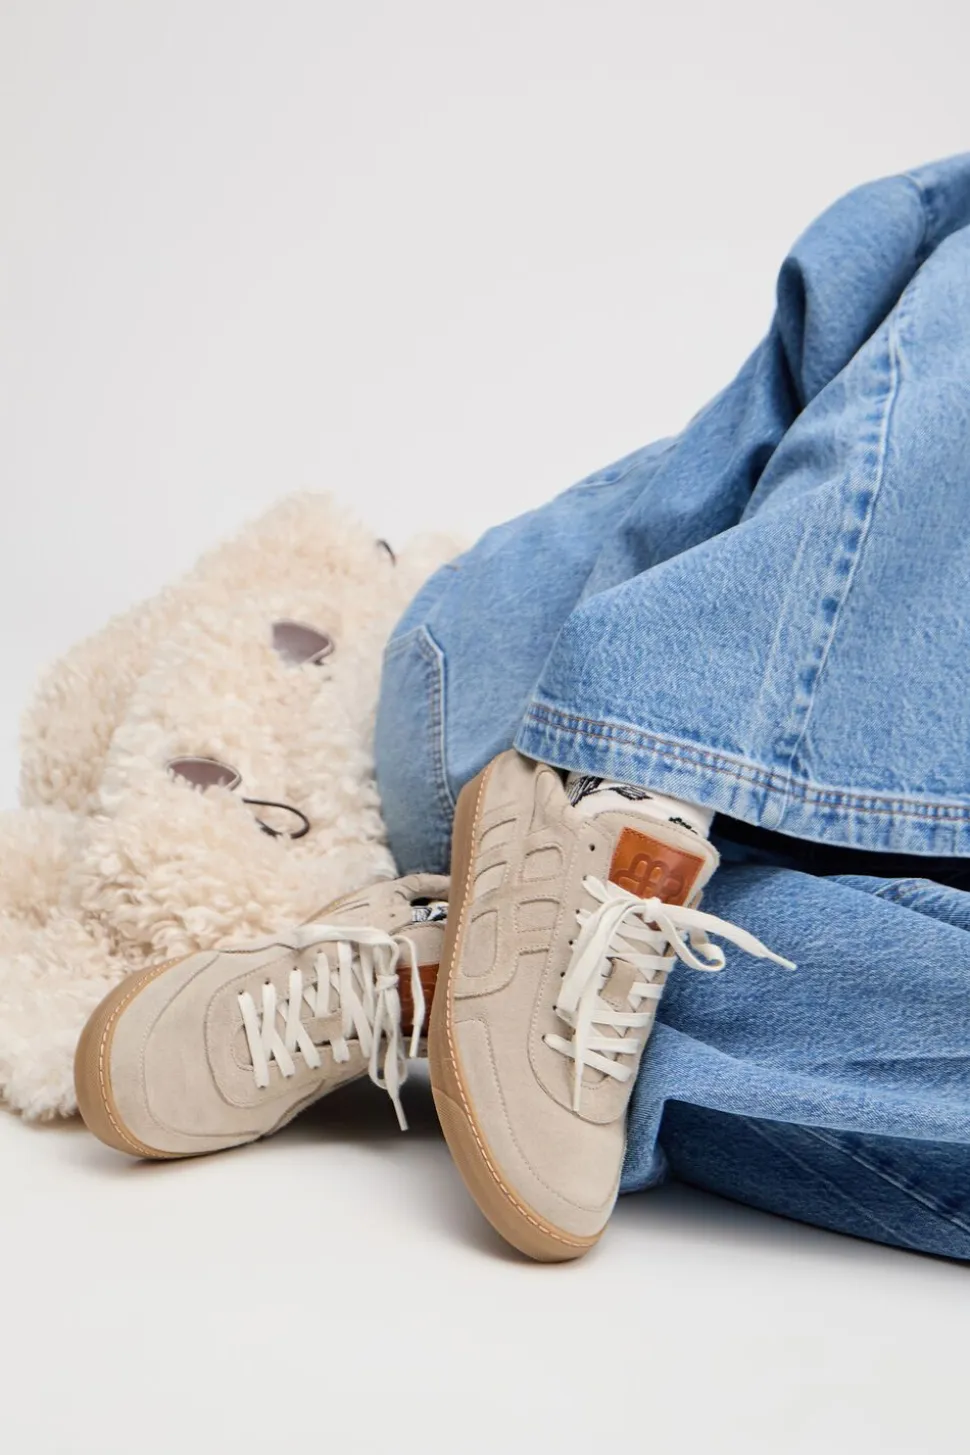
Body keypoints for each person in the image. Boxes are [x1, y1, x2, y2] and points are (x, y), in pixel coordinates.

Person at [74, 153, 970, 1264]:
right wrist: (652, 724)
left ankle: (443, 967)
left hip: (741, 913)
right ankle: (624, 800)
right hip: (514, 701)